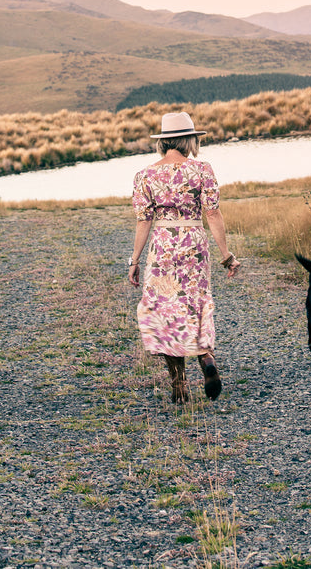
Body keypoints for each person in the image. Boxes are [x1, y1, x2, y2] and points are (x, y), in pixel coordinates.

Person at [128, 111, 241, 403]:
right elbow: (212, 213)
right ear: (189, 139)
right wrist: (226, 255)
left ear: (164, 142)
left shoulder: (145, 175)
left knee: (166, 311)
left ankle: (179, 385)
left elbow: (144, 221)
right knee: (196, 304)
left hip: (163, 247)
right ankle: (206, 359)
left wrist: (135, 260)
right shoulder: (202, 169)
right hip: (193, 244)